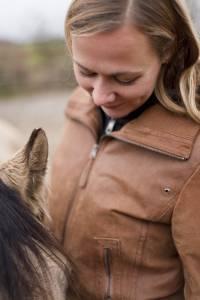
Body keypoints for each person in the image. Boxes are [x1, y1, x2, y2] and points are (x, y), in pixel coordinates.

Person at [49, 0, 200, 299]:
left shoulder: (194, 153)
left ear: (168, 51)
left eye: (125, 78)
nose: (101, 97)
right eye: (86, 72)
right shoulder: (79, 107)